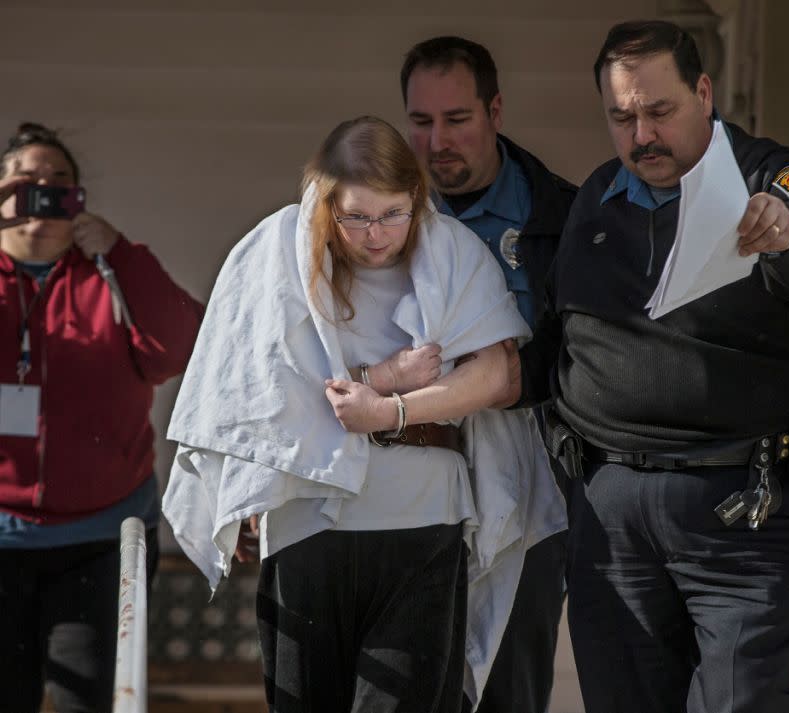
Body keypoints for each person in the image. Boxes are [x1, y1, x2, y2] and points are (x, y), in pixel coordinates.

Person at [162, 116, 564, 713]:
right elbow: (250, 393)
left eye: (394, 214)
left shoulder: (450, 249)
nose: (377, 235)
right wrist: (379, 378)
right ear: (325, 204)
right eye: (355, 217)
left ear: (417, 200)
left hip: (422, 523)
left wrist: (390, 409)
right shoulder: (276, 254)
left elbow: (497, 373)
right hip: (308, 528)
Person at [510, 21, 789, 713]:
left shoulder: (769, 177)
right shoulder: (595, 200)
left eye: (659, 112)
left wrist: (784, 229)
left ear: (704, 92)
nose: (641, 136)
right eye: (622, 117)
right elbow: (556, 341)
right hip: (612, 520)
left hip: (745, 510)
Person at [0, 122, 204, 712]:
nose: (43, 192)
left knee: (87, 702)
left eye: (59, 181)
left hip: (100, 535)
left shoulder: (109, 273)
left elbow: (178, 347)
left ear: (79, 198)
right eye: (25, 182)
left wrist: (121, 253)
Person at [400, 36, 576, 713]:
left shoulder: (561, 216)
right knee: (415, 674)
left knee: (509, 677)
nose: (437, 140)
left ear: (495, 110)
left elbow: (580, 353)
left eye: (457, 119)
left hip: (530, 480)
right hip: (414, 469)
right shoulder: (384, 216)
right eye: (421, 121)